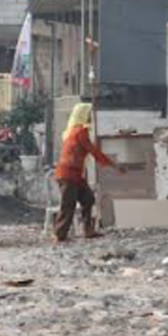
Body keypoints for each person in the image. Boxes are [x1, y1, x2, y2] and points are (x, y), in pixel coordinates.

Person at [53, 103, 124, 243]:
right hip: (68, 174)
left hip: (75, 175)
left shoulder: (73, 131)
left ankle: (88, 230)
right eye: (89, 114)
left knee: (88, 198)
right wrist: (114, 165)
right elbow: (94, 151)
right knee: (68, 204)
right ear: (83, 115)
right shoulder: (80, 132)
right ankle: (60, 235)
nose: (91, 117)